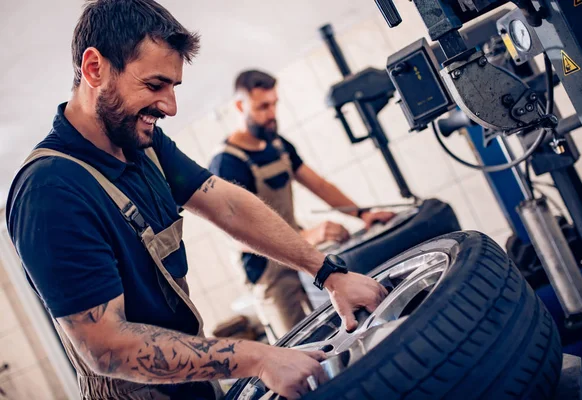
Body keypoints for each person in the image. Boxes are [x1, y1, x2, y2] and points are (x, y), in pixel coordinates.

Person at [5, 1, 388, 399]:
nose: (170, 106)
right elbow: (106, 348)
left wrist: (328, 271)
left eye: (173, 87)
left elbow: (227, 203)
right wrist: (259, 358)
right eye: (154, 86)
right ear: (94, 68)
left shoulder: (144, 147)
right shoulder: (50, 190)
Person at [208, 70, 396, 339]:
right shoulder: (227, 163)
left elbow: (319, 185)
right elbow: (236, 234)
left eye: (274, 104)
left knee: (338, 334)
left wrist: (363, 214)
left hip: (299, 257)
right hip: (267, 274)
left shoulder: (278, 144)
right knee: (301, 347)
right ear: (240, 106)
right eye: (262, 106)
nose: (272, 113)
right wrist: (309, 236)